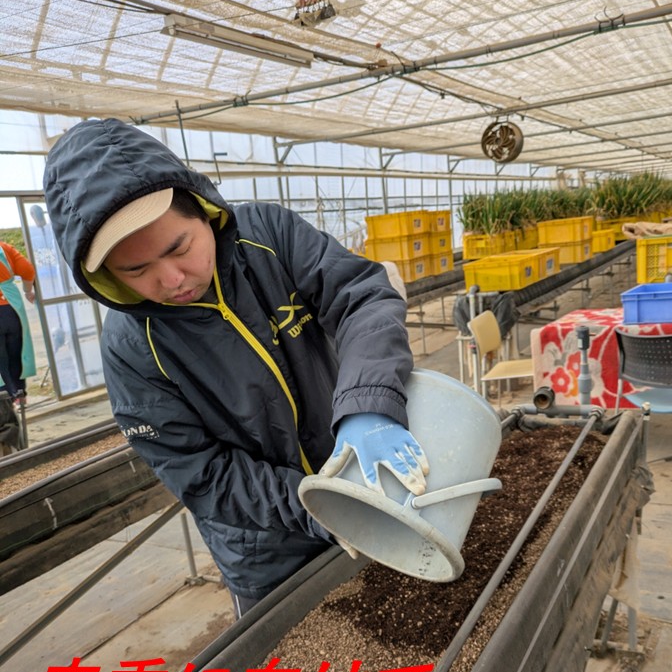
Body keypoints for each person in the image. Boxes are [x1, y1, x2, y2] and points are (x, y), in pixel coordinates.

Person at [43, 118, 429, 616]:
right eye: (136, 270)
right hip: (268, 554)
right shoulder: (133, 350)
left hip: (369, 482)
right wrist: (318, 503)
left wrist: (367, 405)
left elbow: (362, 297)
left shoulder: (269, 237)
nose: (172, 279)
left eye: (179, 248)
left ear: (203, 211)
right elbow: (202, 473)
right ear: (105, 277)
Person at [0, 239, 36, 404]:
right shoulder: (4, 248)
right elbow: (27, 269)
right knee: (16, 352)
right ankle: (20, 393)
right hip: (12, 308)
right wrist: (28, 291)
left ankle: (7, 397)